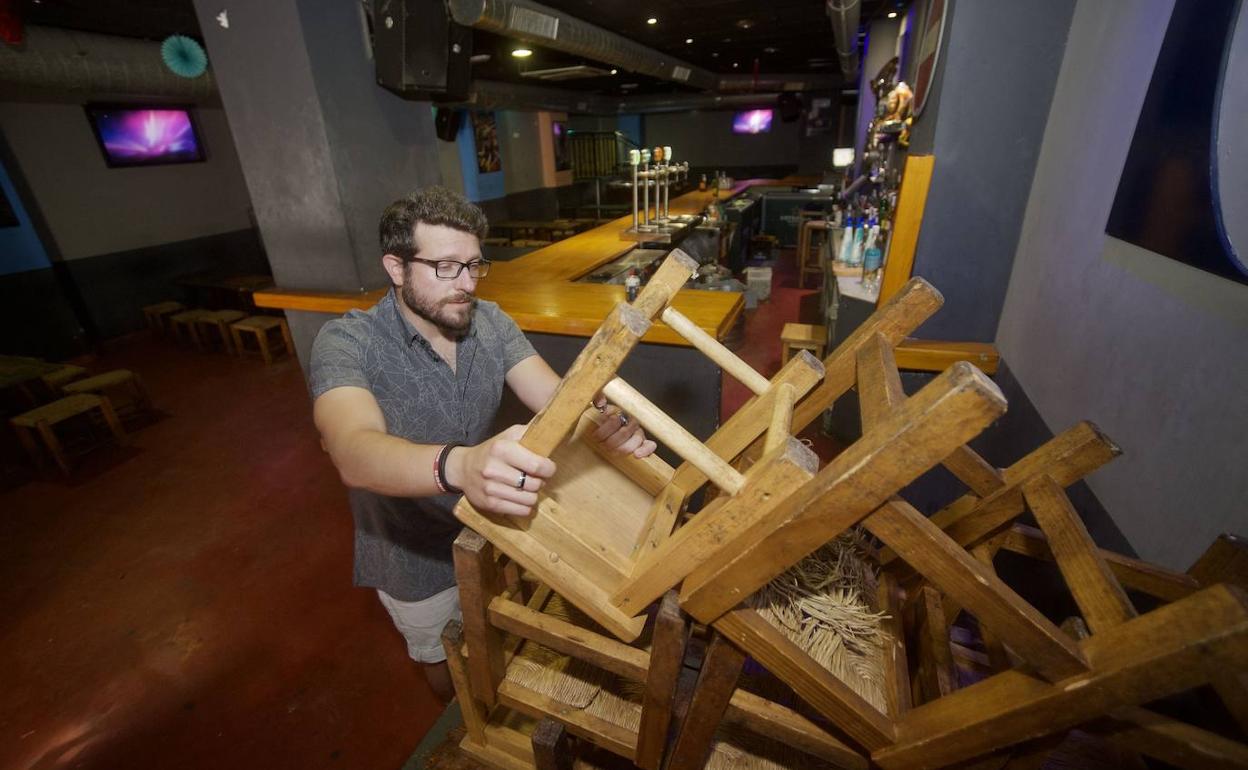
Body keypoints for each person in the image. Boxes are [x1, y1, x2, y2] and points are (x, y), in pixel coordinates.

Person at [308, 187, 655, 702]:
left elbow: (557, 399)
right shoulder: (346, 343)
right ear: (396, 267)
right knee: (444, 659)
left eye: (473, 265)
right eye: (445, 267)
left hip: (495, 530)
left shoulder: (490, 321)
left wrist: (603, 423)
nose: (465, 284)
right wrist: (461, 466)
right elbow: (354, 451)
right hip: (412, 556)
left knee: (496, 636)